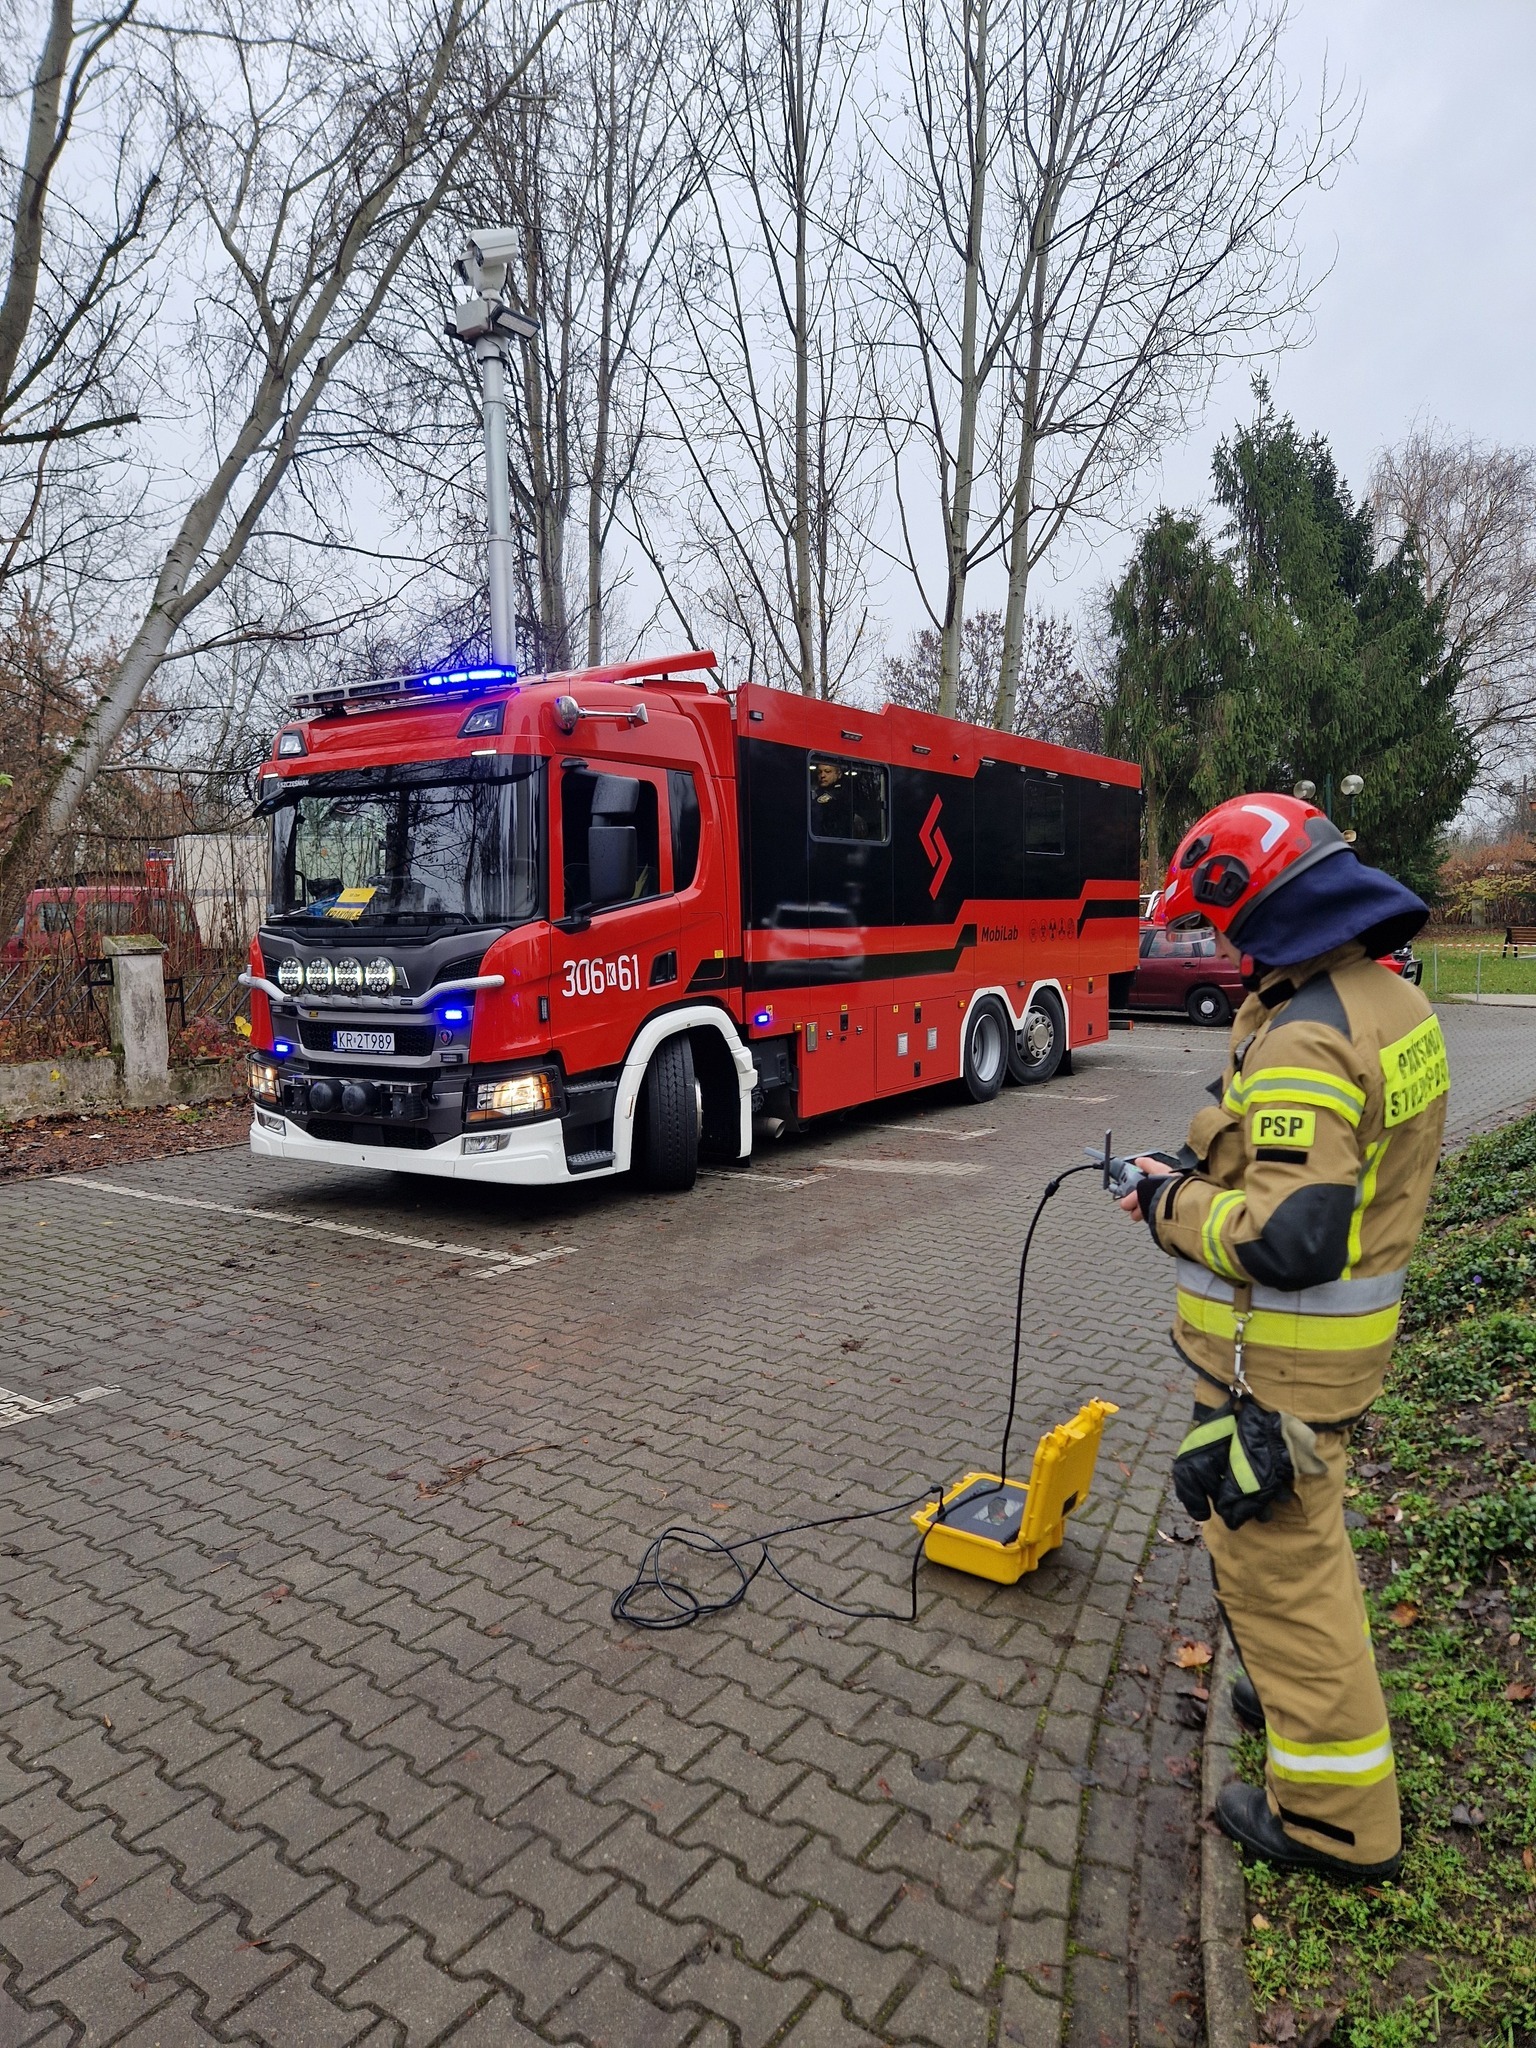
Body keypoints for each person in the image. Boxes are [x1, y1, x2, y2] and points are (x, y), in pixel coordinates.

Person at [1119, 793, 1447, 1880]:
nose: (1223, 949)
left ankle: (1338, 1823)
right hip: (1330, 1361)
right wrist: (1211, 1141)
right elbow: (1302, 1147)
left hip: (1282, 1365)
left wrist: (1170, 1208)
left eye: (1225, 925)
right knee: (1297, 1550)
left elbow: (1293, 1233)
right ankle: (1282, 1691)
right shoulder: (1381, 1003)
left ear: (1257, 903)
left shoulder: (1306, 1027)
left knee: (1285, 1577)